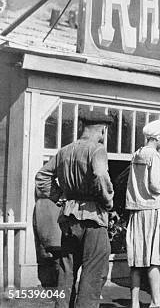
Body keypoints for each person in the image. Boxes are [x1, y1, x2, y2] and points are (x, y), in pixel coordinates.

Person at [35, 110, 114, 308]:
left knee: (67, 270)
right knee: (94, 272)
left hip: (69, 217)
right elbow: (100, 175)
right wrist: (108, 201)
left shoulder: (65, 150)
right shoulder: (97, 150)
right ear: (102, 130)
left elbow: (42, 176)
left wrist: (60, 196)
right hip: (93, 217)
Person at [126, 120, 160, 308]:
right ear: (157, 138)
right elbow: (156, 186)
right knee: (153, 259)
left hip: (137, 211)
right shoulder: (154, 157)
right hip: (154, 211)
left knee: (137, 261)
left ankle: (134, 303)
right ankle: (156, 302)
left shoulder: (137, 154)